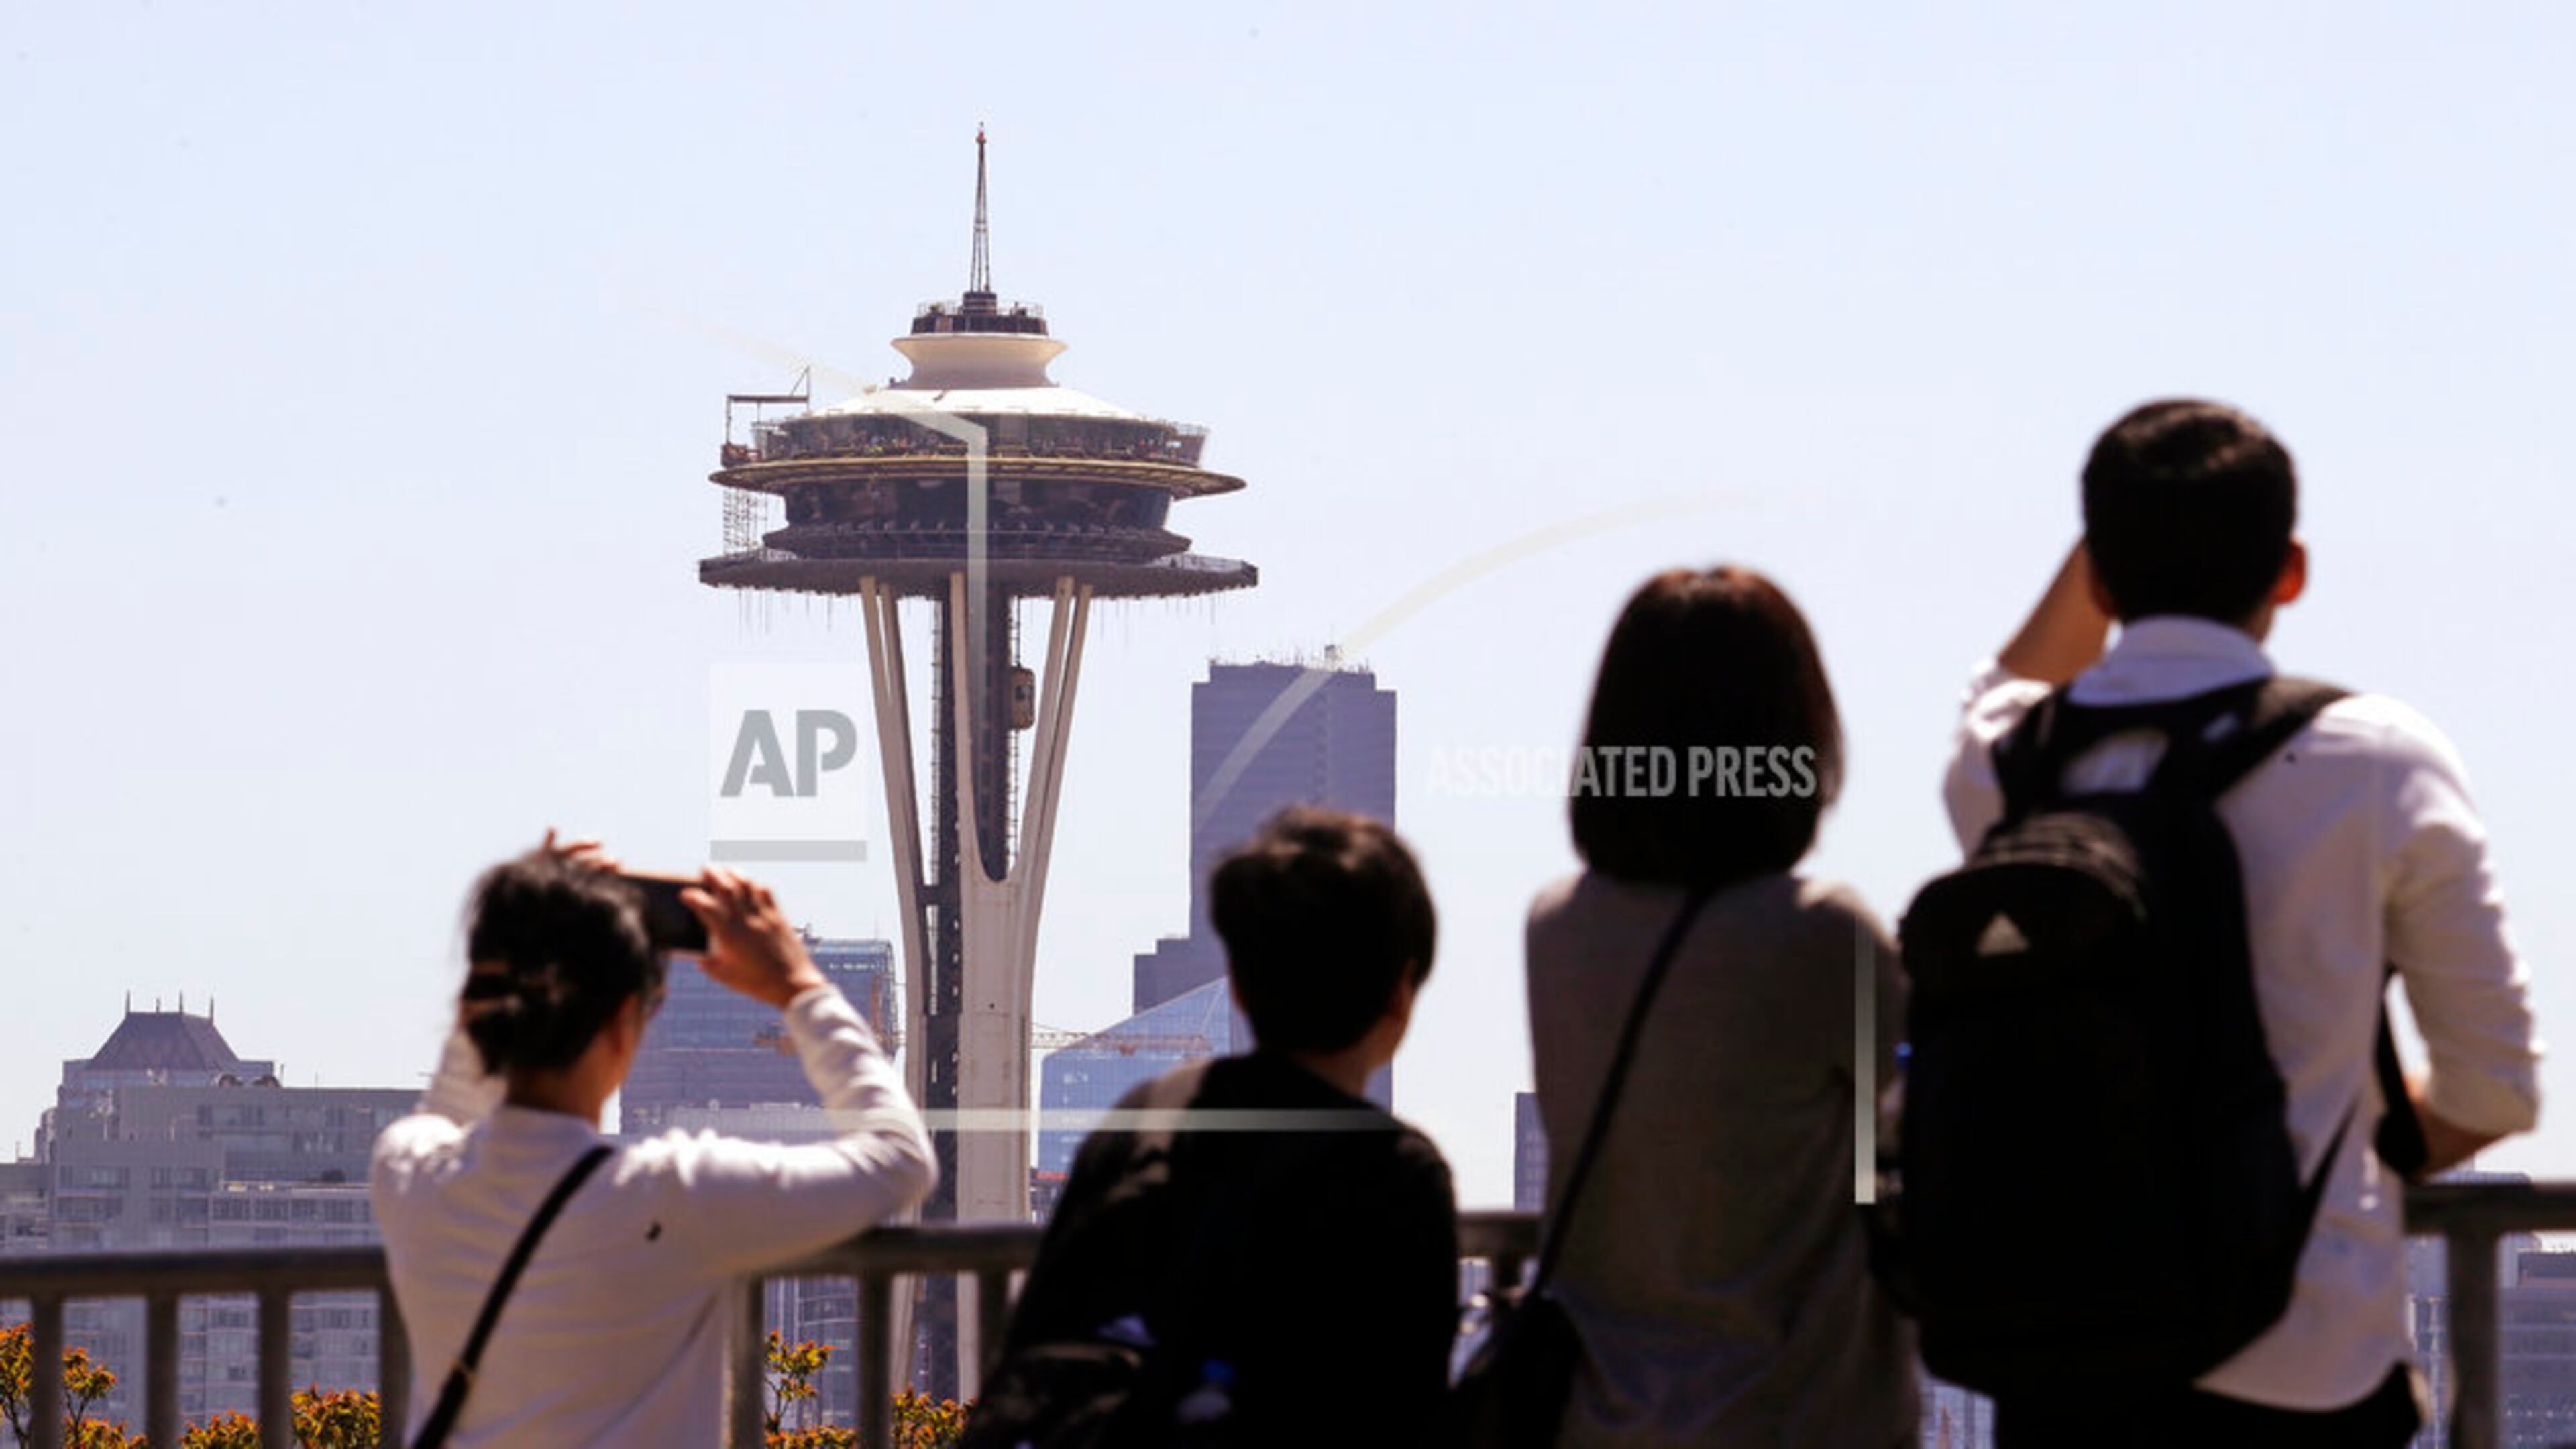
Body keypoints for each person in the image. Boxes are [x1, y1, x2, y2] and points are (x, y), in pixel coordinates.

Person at [1945, 400, 2541, 1444]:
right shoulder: (2378, 760)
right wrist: (2347, 1140)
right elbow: (2496, 1083)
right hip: (2308, 1358)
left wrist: (2128, 531)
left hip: (2063, 1359)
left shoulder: (2013, 763)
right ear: (2290, 570)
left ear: (2098, 575)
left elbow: (2012, 680)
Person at [371, 834, 935, 1446]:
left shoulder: (409, 1173)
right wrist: (800, 986)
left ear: (476, 1011)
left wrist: (522, 928)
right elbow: (898, 1159)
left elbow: (451, 1102)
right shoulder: (676, 1192)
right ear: (625, 1022)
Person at [1525, 566, 1917, 1448]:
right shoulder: (1820, 933)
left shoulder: (1556, 928)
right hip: (1798, 1413)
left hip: (1601, 1416)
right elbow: (1933, 1125)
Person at [982, 807, 1458, 1448]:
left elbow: (1035, 1349)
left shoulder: (1149, 1116)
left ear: (1237, 983)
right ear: (1402, 992)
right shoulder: (1398, 1175)